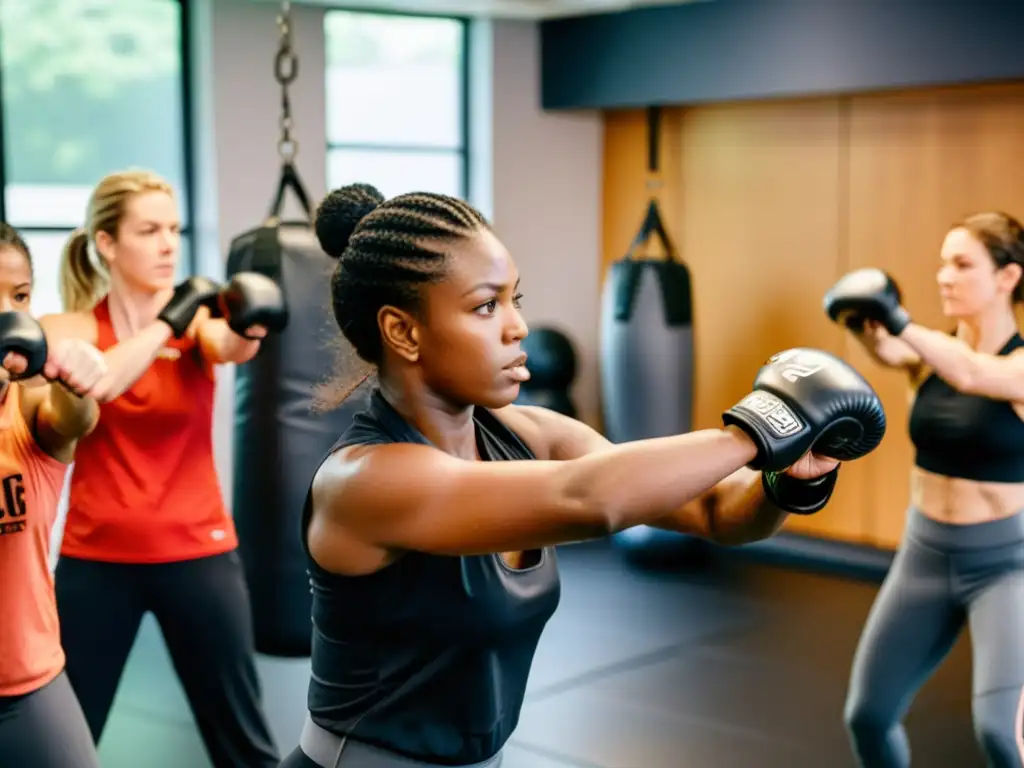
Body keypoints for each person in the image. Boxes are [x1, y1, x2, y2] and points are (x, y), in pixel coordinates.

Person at [277, 182, 888, 768]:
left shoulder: (528, 434)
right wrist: (760, 427)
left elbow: (716, 512)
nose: (516, 327)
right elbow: (591, 498)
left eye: (514, 300)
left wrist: (793, 475)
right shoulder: (365, 481)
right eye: (486, 306)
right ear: (403, 331)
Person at [40, 169, 285, 768]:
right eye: (149, 230)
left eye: (173, 229)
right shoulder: (70, 330)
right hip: (96, 560)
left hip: (198, 555)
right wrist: (166, 323)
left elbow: (233, 345)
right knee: (63, 743)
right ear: (106, 243)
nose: (169, 244)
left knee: (244, 743)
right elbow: (99, 381)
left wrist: (250, 325)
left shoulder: (200, 326)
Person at [825, 211, 1024, 768]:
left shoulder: (1017, 366)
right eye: (942, 263)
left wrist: (898, 317)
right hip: (925, 555)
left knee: (1002, 735)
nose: (944, 276)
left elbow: (973, 375)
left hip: (1006, 566)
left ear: (1008, 277)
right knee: (867, 716)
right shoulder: (929, 354)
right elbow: (894, 351)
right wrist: (861, 320)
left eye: (962, 264)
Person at [0, 223, 109, 767]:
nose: (9, 313)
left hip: (29, 683)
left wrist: (76, 380)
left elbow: (72, 420)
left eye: (19, 296)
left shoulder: (25, 408)